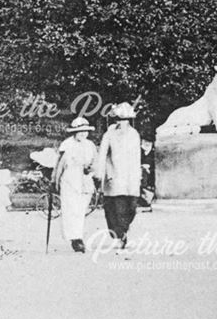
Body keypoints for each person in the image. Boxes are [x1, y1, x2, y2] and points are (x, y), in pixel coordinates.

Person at [95, 102, 142, 248]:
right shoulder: (109, 134)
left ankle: (123, 230)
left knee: (132, 208)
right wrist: (99, 174)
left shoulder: (134, 134)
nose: (122, 123)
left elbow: (137, 157)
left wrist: (139, 175)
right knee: (116, 208)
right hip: (114, 176)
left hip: (131, 178)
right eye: (119, 120)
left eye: (125, 120)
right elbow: (102, 155)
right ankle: (120, 234)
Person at [53, 117, 98, 253]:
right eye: (80, 131)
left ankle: (78, 236)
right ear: (74, 132)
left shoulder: (90, 145)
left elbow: (95, 162)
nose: (83, 134)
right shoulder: (67, 145)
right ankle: (75, 239)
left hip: (85, 181)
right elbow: (59, 165)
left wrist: (92, 169)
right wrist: (54, 180)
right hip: (70, 180)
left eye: (85, 131)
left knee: (80, 210)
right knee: (71, 209)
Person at [139, 138, 155, 209]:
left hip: (148, 175)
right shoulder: (139, 152)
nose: (147, 143)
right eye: (145, 142)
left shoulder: (152, 153)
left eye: (148, 142)